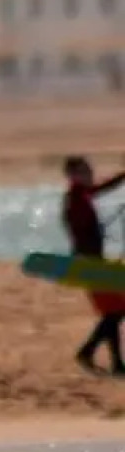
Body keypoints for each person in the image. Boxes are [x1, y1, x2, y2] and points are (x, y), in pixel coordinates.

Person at [61, 155, 125, 377]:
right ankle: (90, 353)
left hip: (92, 261)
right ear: (73, 175)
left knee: (114, 310)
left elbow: (101, 188)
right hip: (89, 262)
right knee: (116, 310)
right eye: (85, 171)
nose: (90, 174)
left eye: (89, 170)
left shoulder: (80, 195)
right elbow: (80, 230)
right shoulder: (76, 199)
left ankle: (114, 363)